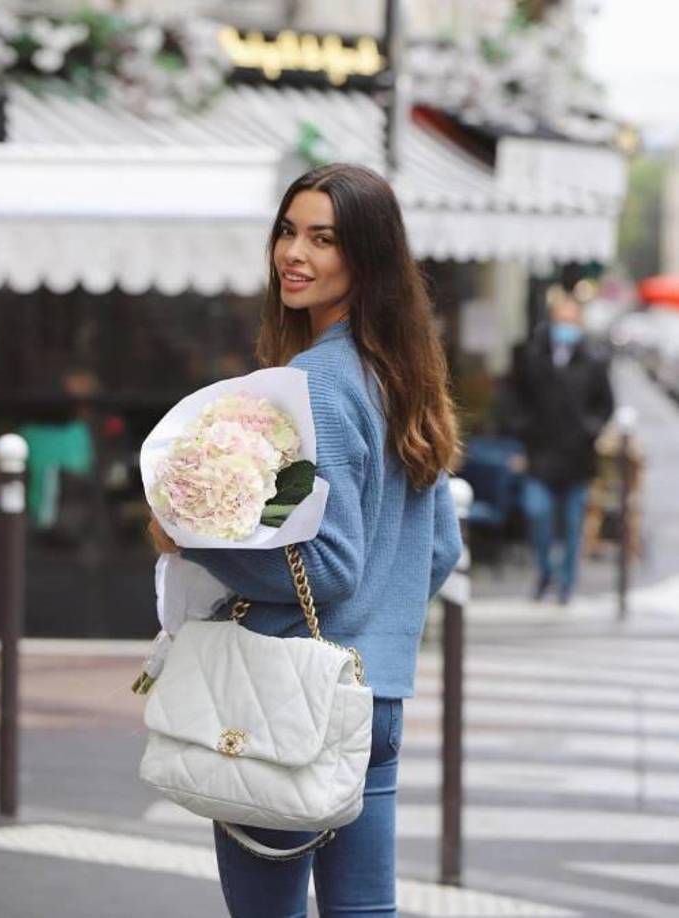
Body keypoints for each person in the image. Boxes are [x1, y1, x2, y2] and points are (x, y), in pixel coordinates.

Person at [148, 163, 462, 918]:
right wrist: (375, 626)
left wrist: (190, 540)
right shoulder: (401, 372)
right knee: (363, 910)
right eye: (288, 232)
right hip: (375, 694)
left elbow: (326, 570)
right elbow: (439, 549)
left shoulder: (315, 381)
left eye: (323, 239)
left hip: (287, 689)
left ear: (366, 257)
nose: (294, 253)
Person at [507, 292, 614, 604]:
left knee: (571, 525)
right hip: (540, 454)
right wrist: (523, 429)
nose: (565, 327)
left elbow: (605, 404)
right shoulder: (533, 356)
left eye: (571, 321)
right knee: (538, 514)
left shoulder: (594, 360)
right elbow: (514, 397)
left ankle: (566, 583)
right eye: (560, 320)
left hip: (577, 457)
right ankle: (545, 572)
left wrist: (589, 429)